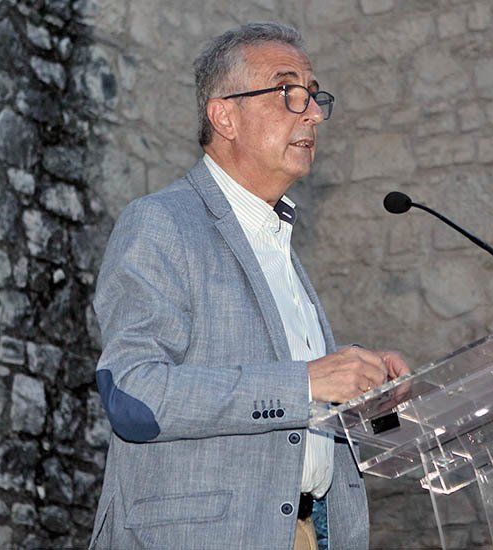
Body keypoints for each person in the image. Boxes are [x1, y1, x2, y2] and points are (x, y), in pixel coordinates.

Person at [88, 22, 409, 549]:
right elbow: (135, 395)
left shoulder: (277, 243)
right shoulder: (162, 223)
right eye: (289, 92)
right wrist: (305, 382)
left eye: (314, 95)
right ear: (225, 116)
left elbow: (298, 413)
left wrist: (368, 396)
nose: (313, 113)